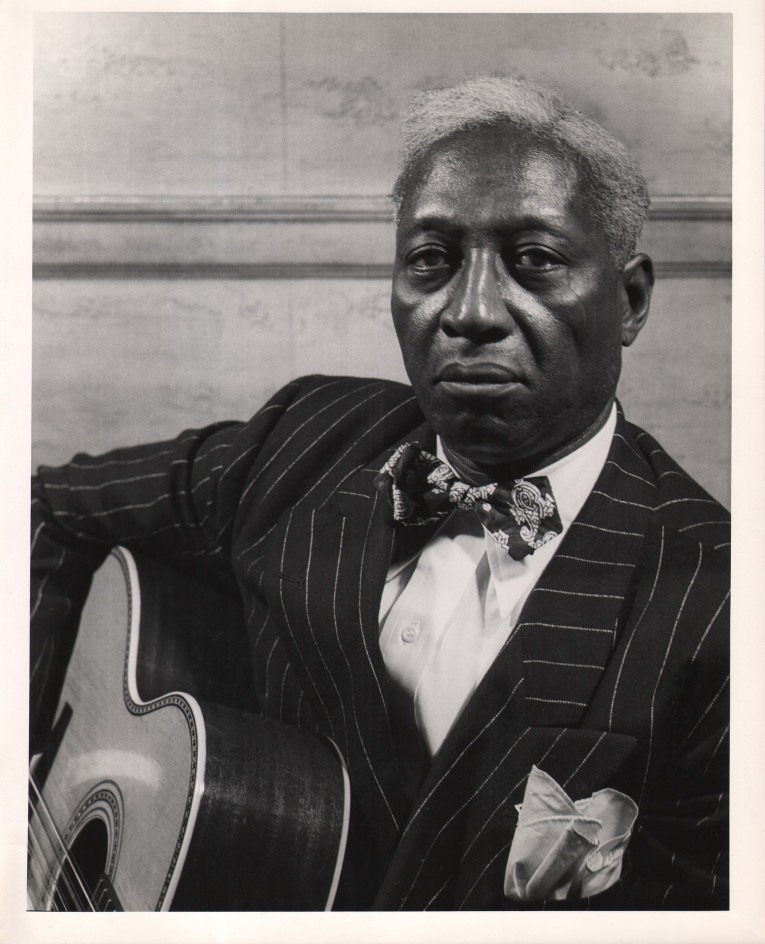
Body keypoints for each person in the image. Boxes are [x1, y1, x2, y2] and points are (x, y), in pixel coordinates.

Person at [30, 76, 729, 910]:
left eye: (533, 260)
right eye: (430, 260)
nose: (468, 311)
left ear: (631, 299)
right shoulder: (303, 438)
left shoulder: (719, 604)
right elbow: (45, 514)